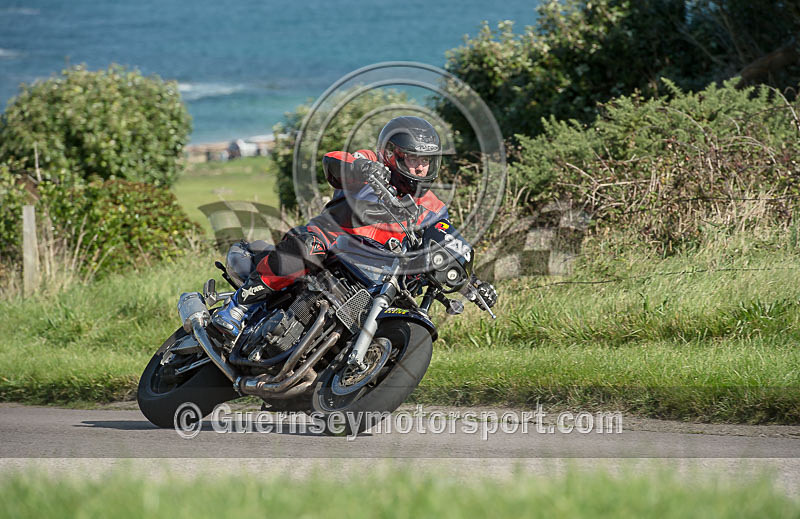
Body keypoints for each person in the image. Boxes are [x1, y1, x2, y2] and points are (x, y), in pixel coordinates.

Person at [212, 116, 497, 337]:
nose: (421, 168)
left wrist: (472, 282)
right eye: (413, 159)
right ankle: (237, 308)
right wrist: (362, 169)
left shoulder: (433, 207)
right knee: (308, 246)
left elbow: (448, 241)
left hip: (378, 273)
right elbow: (335, 161)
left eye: (426, 161)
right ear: (392, 154)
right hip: (334, 246)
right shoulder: (371, 164)